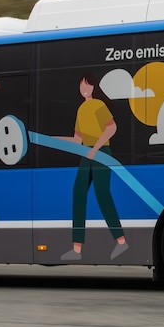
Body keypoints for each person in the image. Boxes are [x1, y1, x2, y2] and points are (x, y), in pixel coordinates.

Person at [57, 74, 129, 261]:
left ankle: (121, 241)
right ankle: (77, 248)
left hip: (101, 152)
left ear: (94, 87)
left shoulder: (99, 105)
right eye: (81, 85)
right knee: (78, 192)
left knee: (102, 193)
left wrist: (95, 148)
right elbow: (77, 140)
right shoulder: (81, 109)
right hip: (87, 153)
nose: (83, 88)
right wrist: (54, 140)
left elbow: (112, 128)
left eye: (86, 85)